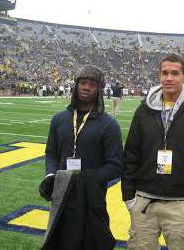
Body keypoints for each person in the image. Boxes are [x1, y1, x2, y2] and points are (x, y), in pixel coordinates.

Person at [121, 54, 184, 250]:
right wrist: (129, 198)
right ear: (159, 75)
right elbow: (131, 153)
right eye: (165, 73)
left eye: (175, 73)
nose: (169, 78)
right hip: (143, 203)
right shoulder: (144, 110)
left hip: (181, 205)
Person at [39, 65, 124, 249]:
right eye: (83, 83)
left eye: (92, 84)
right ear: (76, 86)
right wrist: (51, 176)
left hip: (92, 198)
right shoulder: (59, 119)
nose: (86, 87)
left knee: (92, 243)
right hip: (62, 195)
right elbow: (51, 154)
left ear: (99, 90)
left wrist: (86, 181)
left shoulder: (109, 125)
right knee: (61, 242)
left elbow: (116, 164)